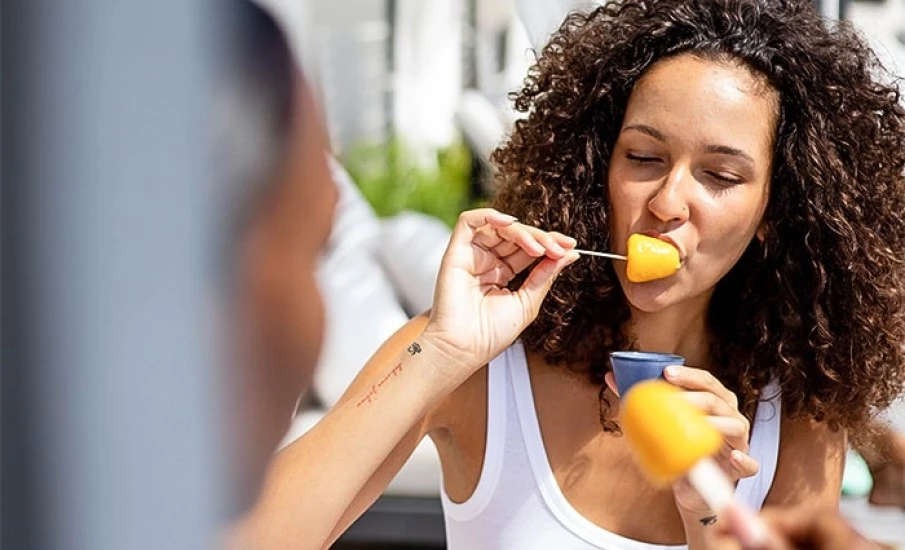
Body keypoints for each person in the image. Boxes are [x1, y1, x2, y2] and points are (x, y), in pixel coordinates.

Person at [227, 0, 905, 549]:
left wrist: (709, 516)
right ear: (594, 166)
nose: (667, 203)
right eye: (642, 157)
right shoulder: (482, 371)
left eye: (720, 176)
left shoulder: (792, 416)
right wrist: (439, 350)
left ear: (771, 211)